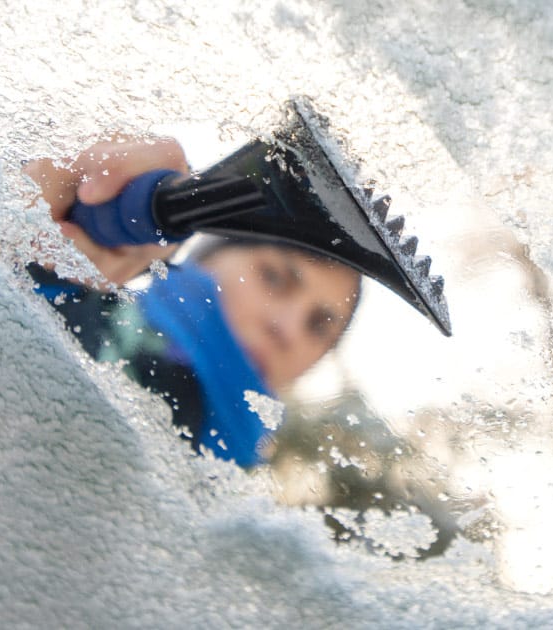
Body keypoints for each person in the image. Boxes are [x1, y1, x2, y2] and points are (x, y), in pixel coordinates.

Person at [24, 137, 361, 468]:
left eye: (318, 327)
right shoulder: (78, 322)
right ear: (208, 256)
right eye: (273, 278)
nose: (286, 328)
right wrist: (39, 250)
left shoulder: (237, 502)